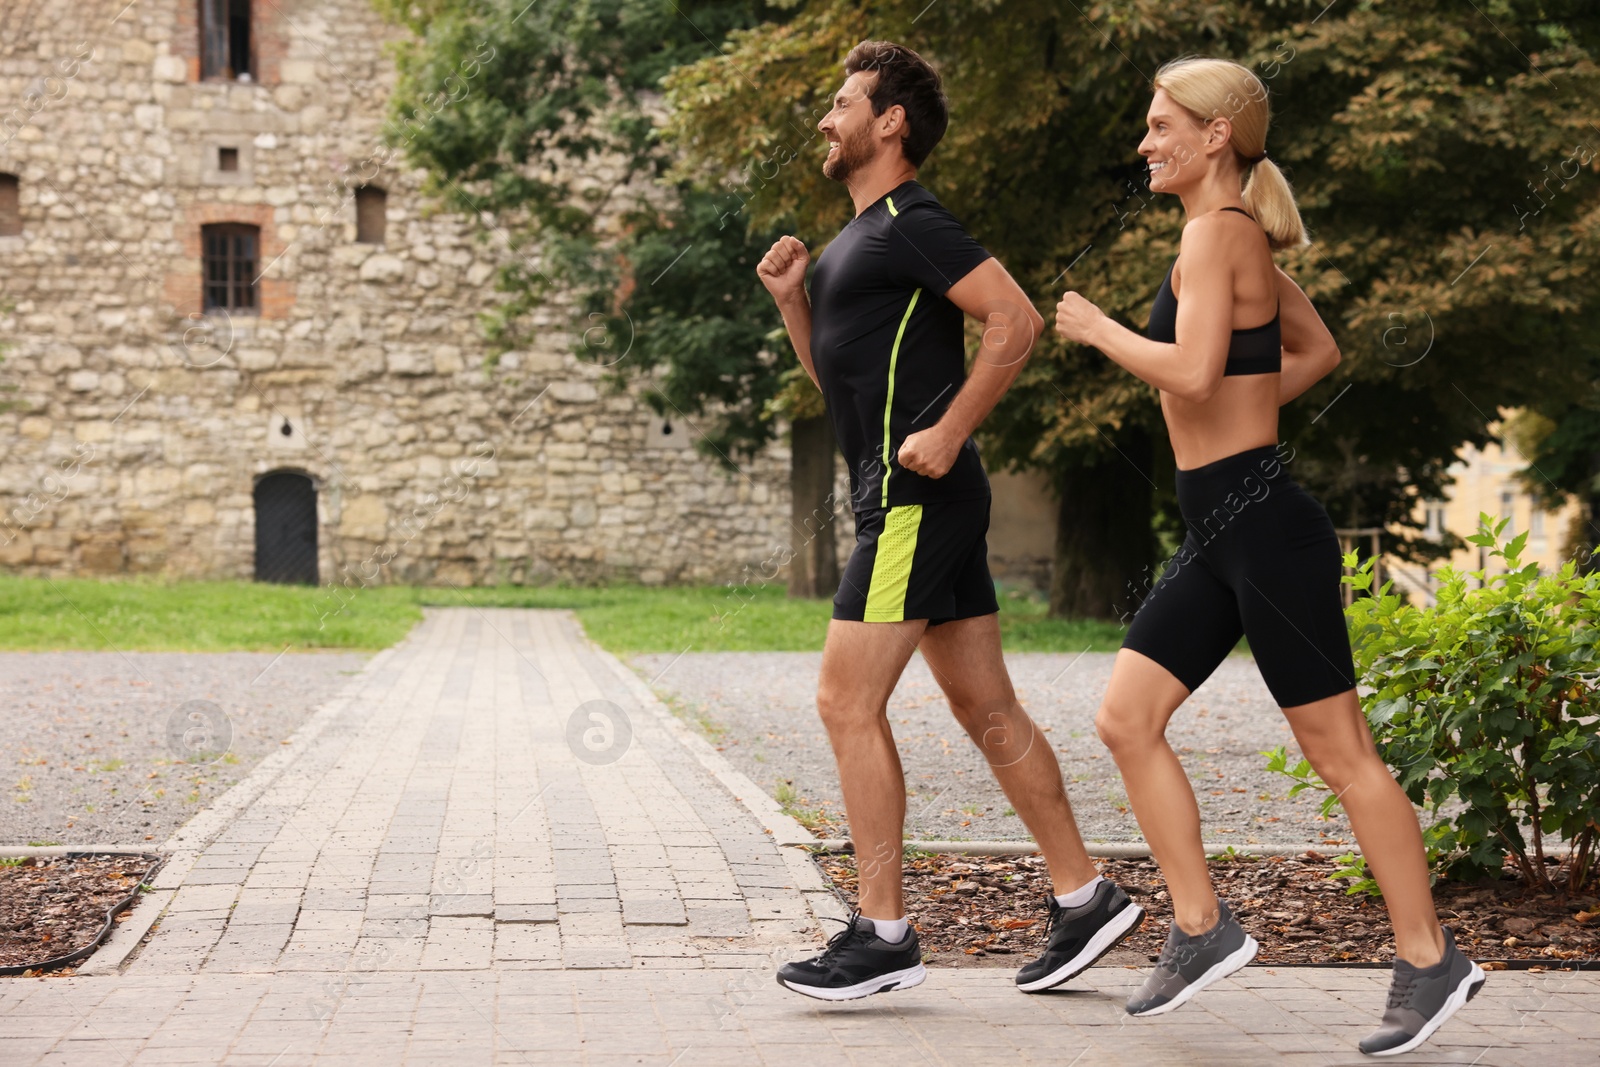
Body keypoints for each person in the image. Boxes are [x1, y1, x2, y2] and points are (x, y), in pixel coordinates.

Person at [1052, 57, 1485, 1055]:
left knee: (1341, 755)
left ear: (1215, 135)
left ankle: (1430, 955)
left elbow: (1195, 373)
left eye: (1161, 124)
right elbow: (1317, 350)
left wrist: (1097, 327)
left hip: (1264, 532)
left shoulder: (1215, 236)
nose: (1144, 141)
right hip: (1218, 527)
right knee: (1126, 718)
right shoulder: (1232, 240)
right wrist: (1247, 408)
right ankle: (1202, 927)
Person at [756, 39, 1143, 1002]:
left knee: (847, 703)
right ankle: (1084, 895)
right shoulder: (854, 243)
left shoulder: (911, 222)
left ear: (890, 122)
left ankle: (883, 933)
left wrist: (950, 426)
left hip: (913, 503)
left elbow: (1014, 319)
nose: (826, 119)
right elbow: (837, 390)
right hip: (917, 496)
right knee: (986, 706)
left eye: (843, 103)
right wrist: (792, 303)